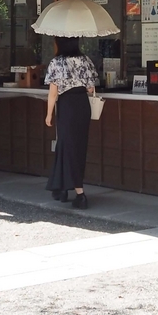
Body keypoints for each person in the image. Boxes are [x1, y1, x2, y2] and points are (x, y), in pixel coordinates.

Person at [44, 37, 97, 209]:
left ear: (60, 44)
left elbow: (53, 93)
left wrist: (48, 114)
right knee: (76, 147)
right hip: (82, 105)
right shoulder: (85, 60)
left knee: (66, 146)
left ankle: (79, 193)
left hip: (66, 105)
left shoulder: (56, 62)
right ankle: (62, 187)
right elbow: (90, 88)